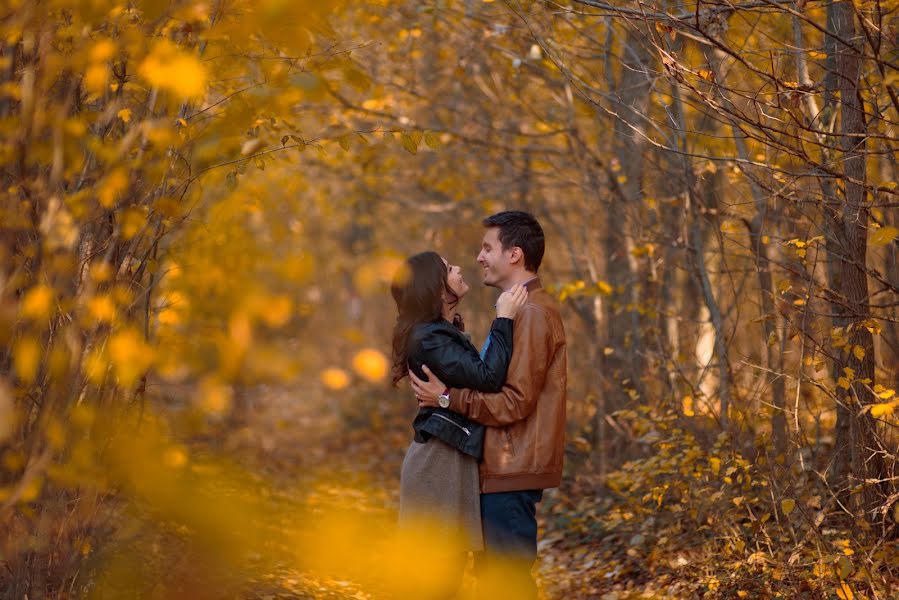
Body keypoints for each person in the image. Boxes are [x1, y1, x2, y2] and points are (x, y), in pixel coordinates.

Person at [410, 211, 567, 600]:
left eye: (487, 248)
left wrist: (446, 398)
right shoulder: (518, 309)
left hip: (512, 468)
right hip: (500, 466)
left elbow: (515, 402)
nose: (479, 257)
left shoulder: (531, 313)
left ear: (514, 254)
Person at [390, 250, 528, 598]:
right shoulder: (430, 338)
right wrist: (504, 318)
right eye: (449, 269)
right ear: (436, 289)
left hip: (450, 459)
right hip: (438, 465)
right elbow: (488, 377)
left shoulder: (439, 332)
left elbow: (473, 384)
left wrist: (446, 396)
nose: (459, 269)